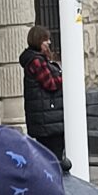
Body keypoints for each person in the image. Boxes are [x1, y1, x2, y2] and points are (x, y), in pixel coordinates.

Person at [19, 21, 66, 159]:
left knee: (50, 156)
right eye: (46, 40)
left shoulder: (38, 59)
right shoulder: (36, 61)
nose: (49, 42)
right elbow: (50, 83)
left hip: (47, 119)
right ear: (38, 41)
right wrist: (66, 80)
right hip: (47, 121)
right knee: (53, 157)